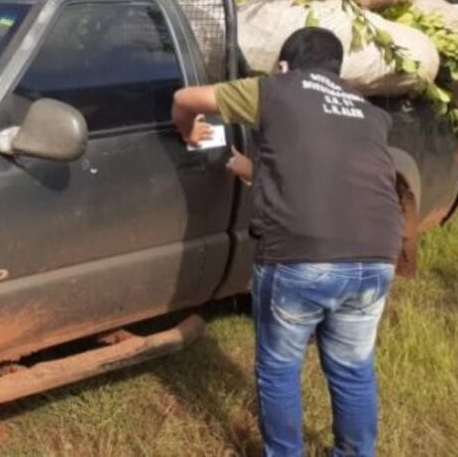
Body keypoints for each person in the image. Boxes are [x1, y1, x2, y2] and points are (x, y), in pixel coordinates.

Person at [171, 27, 402, 457]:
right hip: (377, 256)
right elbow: (315, 170)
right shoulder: (369, 112)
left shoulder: (277, 89)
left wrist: (189, 131)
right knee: (353, 370)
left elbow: (186, 99)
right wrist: (246, 166)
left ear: (283, 66)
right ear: (337, 69)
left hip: (301, 257)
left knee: (279, 369)